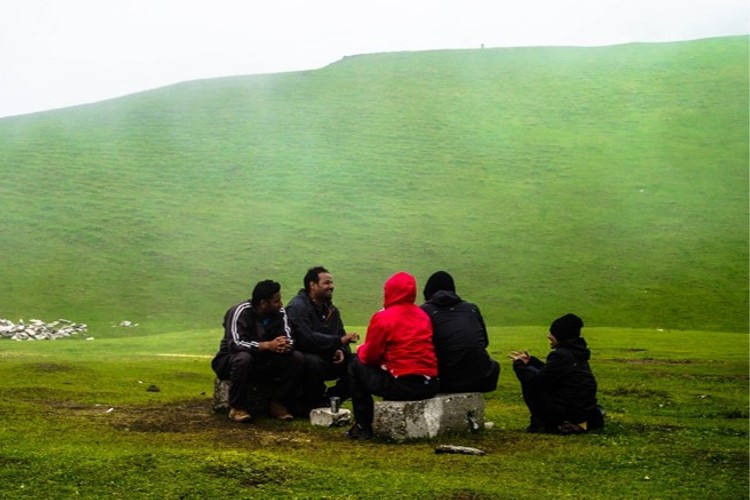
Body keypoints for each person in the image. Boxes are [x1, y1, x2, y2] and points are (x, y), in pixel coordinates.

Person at [346, 271, 439, 439]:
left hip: (403, 386)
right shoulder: (423, 316)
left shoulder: (383, 318)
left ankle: (363, 425)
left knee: (355, 365)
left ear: (389, 292)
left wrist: (361, 349)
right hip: (430, 385)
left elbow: (370, 357)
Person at [211, 279, 305, 423]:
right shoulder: (240, 312)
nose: (280, 304)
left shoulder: (280, 313)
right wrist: (266, 345)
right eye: (276, 301)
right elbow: (235, 344)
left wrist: (285, 345)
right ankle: (237, 407)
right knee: (243, 358)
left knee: (296, 358)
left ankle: (277, 402)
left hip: (265, 360)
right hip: (231, 360)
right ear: (263, 303)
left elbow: (289, 337)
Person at [509, 313, 604, 434]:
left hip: (568, 411)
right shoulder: (576, 353)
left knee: (530, 380)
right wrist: (532, 362)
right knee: (533, 373)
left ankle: (542, 423)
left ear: (561, 336)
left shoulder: (561, 355)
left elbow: (539, 381)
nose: (548, 336)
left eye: (552, 333)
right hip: (582, 409)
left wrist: (519, 366)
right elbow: (552, 374)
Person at [285, 266, 359, 412]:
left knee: (358, 363)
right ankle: (311, 403)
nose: (331, 286)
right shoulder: (297, 307)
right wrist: (337, 342)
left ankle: (332, 398)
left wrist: (341, 350)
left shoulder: (332, 310)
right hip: (307, 357)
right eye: (327, 283)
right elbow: (305, 338)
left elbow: (340, 334)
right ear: (313, 285)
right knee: (313, 363)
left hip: (330, 357)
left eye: (331, 283)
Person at [421, 270, 500, 393]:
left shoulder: (424, 312)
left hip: (446, 381)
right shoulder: (471, 308)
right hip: (483, 378)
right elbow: (484, 342)